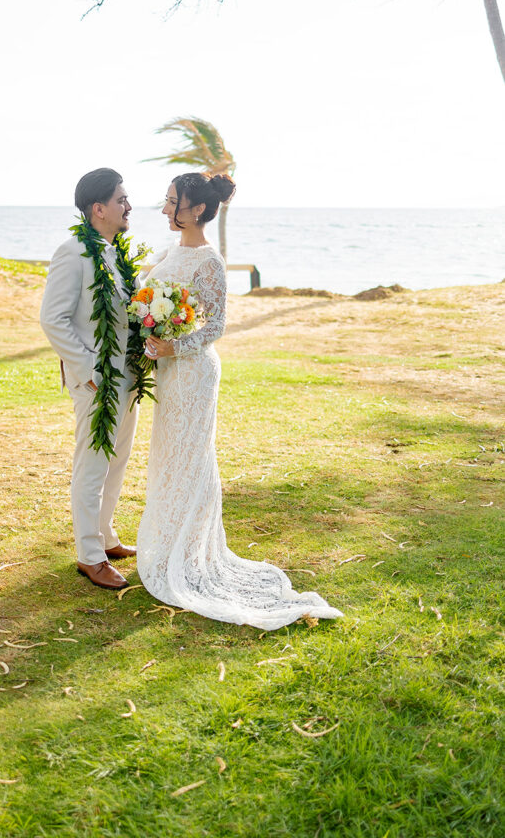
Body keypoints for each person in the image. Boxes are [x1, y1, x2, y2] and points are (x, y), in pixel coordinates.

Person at [139, 172, 343, 629]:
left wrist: (175, 344)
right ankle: (173, 541)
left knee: (191, 458)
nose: (165, 207)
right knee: (170, 456)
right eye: (167, 199)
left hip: (193, 372)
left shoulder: (209, 260)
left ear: (195, 210)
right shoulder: (171, 251)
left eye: (173, 201)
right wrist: (153, 334)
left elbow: (215, 327)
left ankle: (191, 557)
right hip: (170, 372)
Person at [40, 168, 141, 591]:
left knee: (117, 459)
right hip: (98, 381)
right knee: (93, 465)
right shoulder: (74, 253)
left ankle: (105, 535)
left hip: (128, 378)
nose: (128, 206)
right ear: (98, 208)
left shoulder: (116, 254)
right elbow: (53, 319)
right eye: (121, 199)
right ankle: (88, 555)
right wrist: (89, 371)